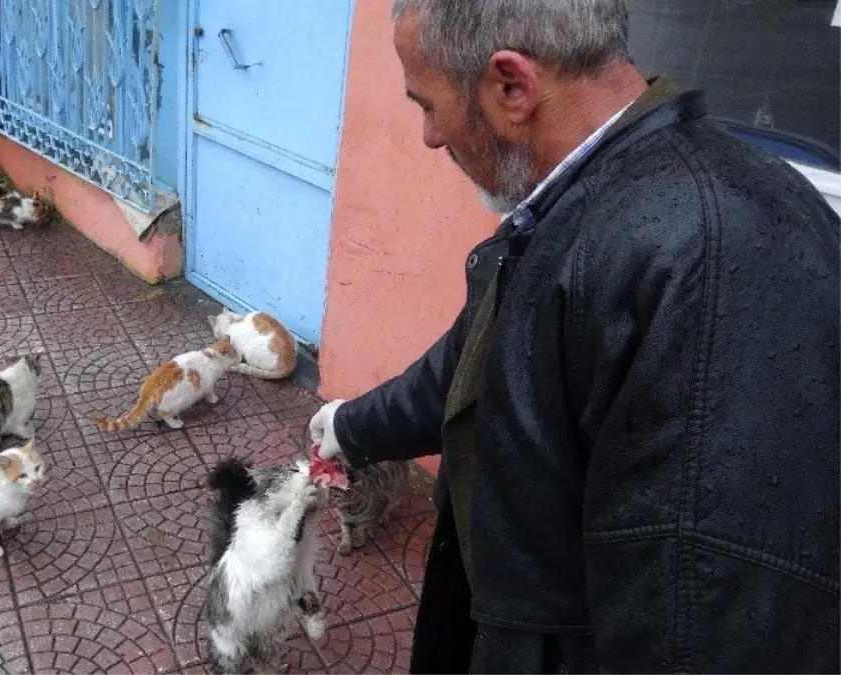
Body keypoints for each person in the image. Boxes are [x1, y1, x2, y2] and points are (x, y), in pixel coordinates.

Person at [308, 0, 841, 673]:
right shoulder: (580, 203)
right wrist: (350, 427)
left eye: (427, 104)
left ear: (512, 87)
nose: (431, 137)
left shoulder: (715, 261)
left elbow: (699, 624)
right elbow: (475, 364)